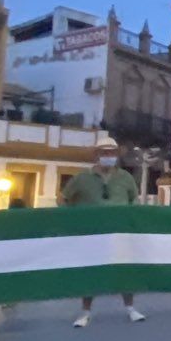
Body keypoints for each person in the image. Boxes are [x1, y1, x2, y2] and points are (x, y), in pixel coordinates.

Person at [62, 140, 145, 327]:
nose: (109, 157)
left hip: (120, 233)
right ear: (97, 155)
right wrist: (74, 221)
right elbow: (64, 199)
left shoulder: (125, 178)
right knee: (90, 271)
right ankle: (85, 312)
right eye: (105, 153)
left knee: (125, 270)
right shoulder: (82, 178)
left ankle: (131, 308)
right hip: (92, 234)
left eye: (112, 153)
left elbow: (134, 201)